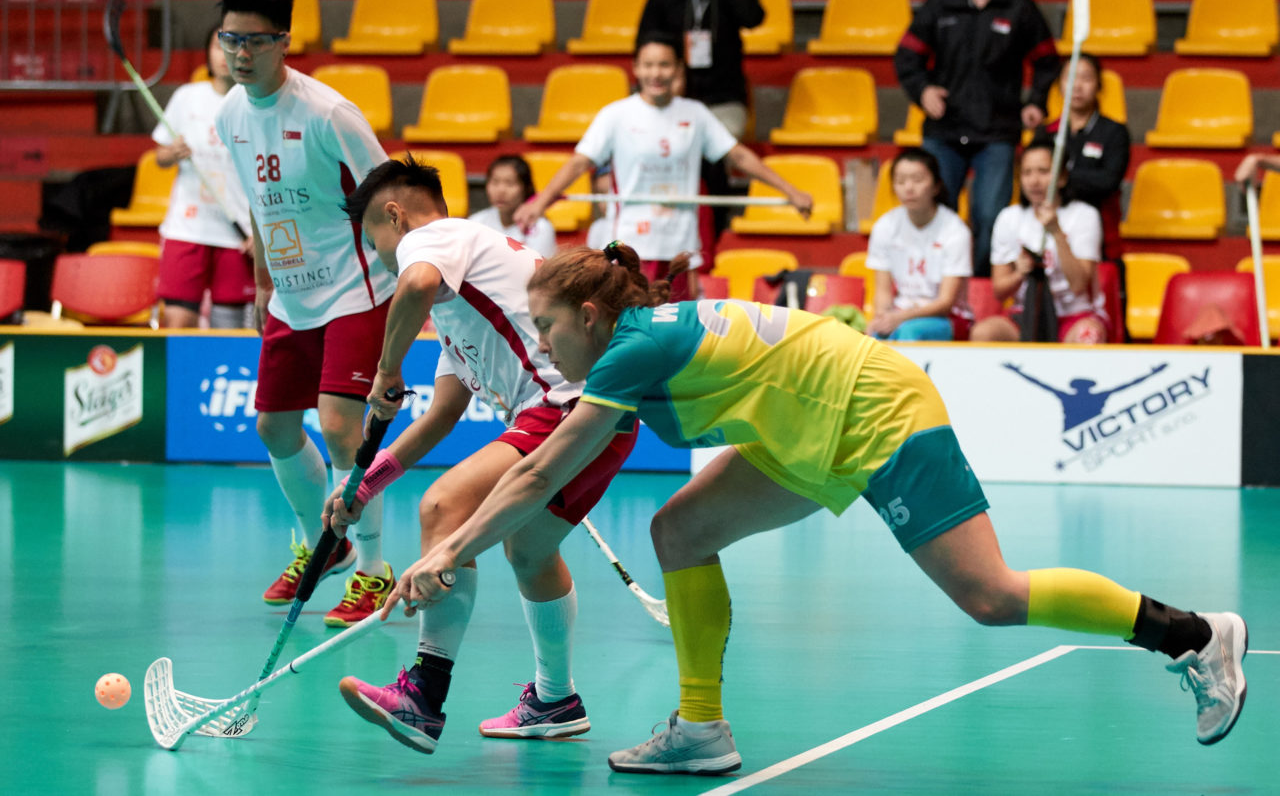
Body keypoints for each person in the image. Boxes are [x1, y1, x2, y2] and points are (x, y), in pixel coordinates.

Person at [380, 241, 1248, 774]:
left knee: (990, 595)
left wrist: (446, 550)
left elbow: (536, 476)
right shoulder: (630, 343)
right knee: (679, 529)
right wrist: (455, 544)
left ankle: (1195, 634)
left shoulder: (625, 355)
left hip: (872, 407)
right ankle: (701, 728)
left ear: (590, 315)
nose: (539, 341)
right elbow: (537, 473)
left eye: (545, 324)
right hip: (802, 426)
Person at [322, 155, 638, 754]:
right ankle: (555, 700)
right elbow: (441, 415)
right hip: (594, 416)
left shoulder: (440, 239)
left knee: (442, 507)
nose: (377, 254)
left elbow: (414, 282)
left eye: (372, 237)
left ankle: (423, 696)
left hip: (568, 408)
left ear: (396, 216)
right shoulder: (457, 300)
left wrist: (386, 369)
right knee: (530, 550)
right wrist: (366, 484)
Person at [214, 0, 397, 627]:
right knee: (274, 426)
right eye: (230, 38)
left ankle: (374, 569)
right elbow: (258, 205)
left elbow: (391, 195)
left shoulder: (328, 113)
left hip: (354, 287)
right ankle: (325, 542)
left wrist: (414, 277)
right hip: (290, 296)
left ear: (284, 41)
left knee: (341, 428)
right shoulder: (229, 115)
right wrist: (264, 279)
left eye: (255, 41)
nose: (240, 53)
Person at [514, 33, 812, 303]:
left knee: (675, 330)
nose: (656, 73)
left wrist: (790, 191)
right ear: (636, 68)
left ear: (679, 68)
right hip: (631, 246)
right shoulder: (616, 115)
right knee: (633, 327)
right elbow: (580, 162)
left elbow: (739, 157)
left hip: (679, 246)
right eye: (648, 65)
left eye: (664, 65)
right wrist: (540, 202)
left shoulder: (695, 114)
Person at [895, 0, 1061, 277]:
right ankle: (935, 284)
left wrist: (1036, 101)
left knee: (990, 216)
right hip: (945, 129)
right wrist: (923, 90)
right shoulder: (941, 1)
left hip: (997, 131)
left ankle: (981, 286)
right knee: (935, 213)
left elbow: (1047, 60)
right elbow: (907, 55)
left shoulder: (1018, 6)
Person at [637, 0, 763, 241]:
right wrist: (668, 81)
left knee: (713, 148)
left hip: (723, 97)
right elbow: (646, 41)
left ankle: (713, 222)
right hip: (676, 95)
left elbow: (753, 17)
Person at [153, 26, 254, 329]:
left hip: (237, 235)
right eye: (218, 45)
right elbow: (159, 158)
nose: (224, 54)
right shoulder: (187, 97)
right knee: (178, 322)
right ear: (207, 53)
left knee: (230, 331)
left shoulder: (255, 105)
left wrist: (261, 231)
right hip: (187, 228)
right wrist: (172, 152)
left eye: (234, 45)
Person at [970, 138, 1109, 343]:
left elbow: (1079, 285)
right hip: (1025, 314)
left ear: (1062, 177)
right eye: (1027, 173)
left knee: (1088, 336)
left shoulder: (1084, 215)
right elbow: (999, 291)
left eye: (1043, 171)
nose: (1034, 181)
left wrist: (1056, 232)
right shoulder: (1009, 218)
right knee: (983, 333)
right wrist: (1019, 273)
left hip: (1073, 314)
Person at [865, 148, 972, 341]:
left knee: (909, 333)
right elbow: (882, 293)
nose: (909, 188)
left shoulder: (955, 230)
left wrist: (899, 318)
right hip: (900, 314)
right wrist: (882, 319)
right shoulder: (885, 226)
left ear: (936, 186)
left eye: (917, 179)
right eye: (900, 181)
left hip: (949, 318)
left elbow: (946, 302)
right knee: (875, 337)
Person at [1036, 53, 1131, 262]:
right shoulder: (1046, 133)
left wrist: (1062, 177)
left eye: (1086, 78)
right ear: (1060, 85)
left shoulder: (1114, 132)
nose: (1077, 86)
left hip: (1102, 242)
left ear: (1098, 85)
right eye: (1070, 78)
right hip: (1052, 236)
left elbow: (1108, 181)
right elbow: (1036, 181)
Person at [470, 155, 557, 259]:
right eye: (495, 182)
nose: (501, 190)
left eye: (510, 183)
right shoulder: (475, 223)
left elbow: (542, 268)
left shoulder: (540, 227)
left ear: (526, 188)